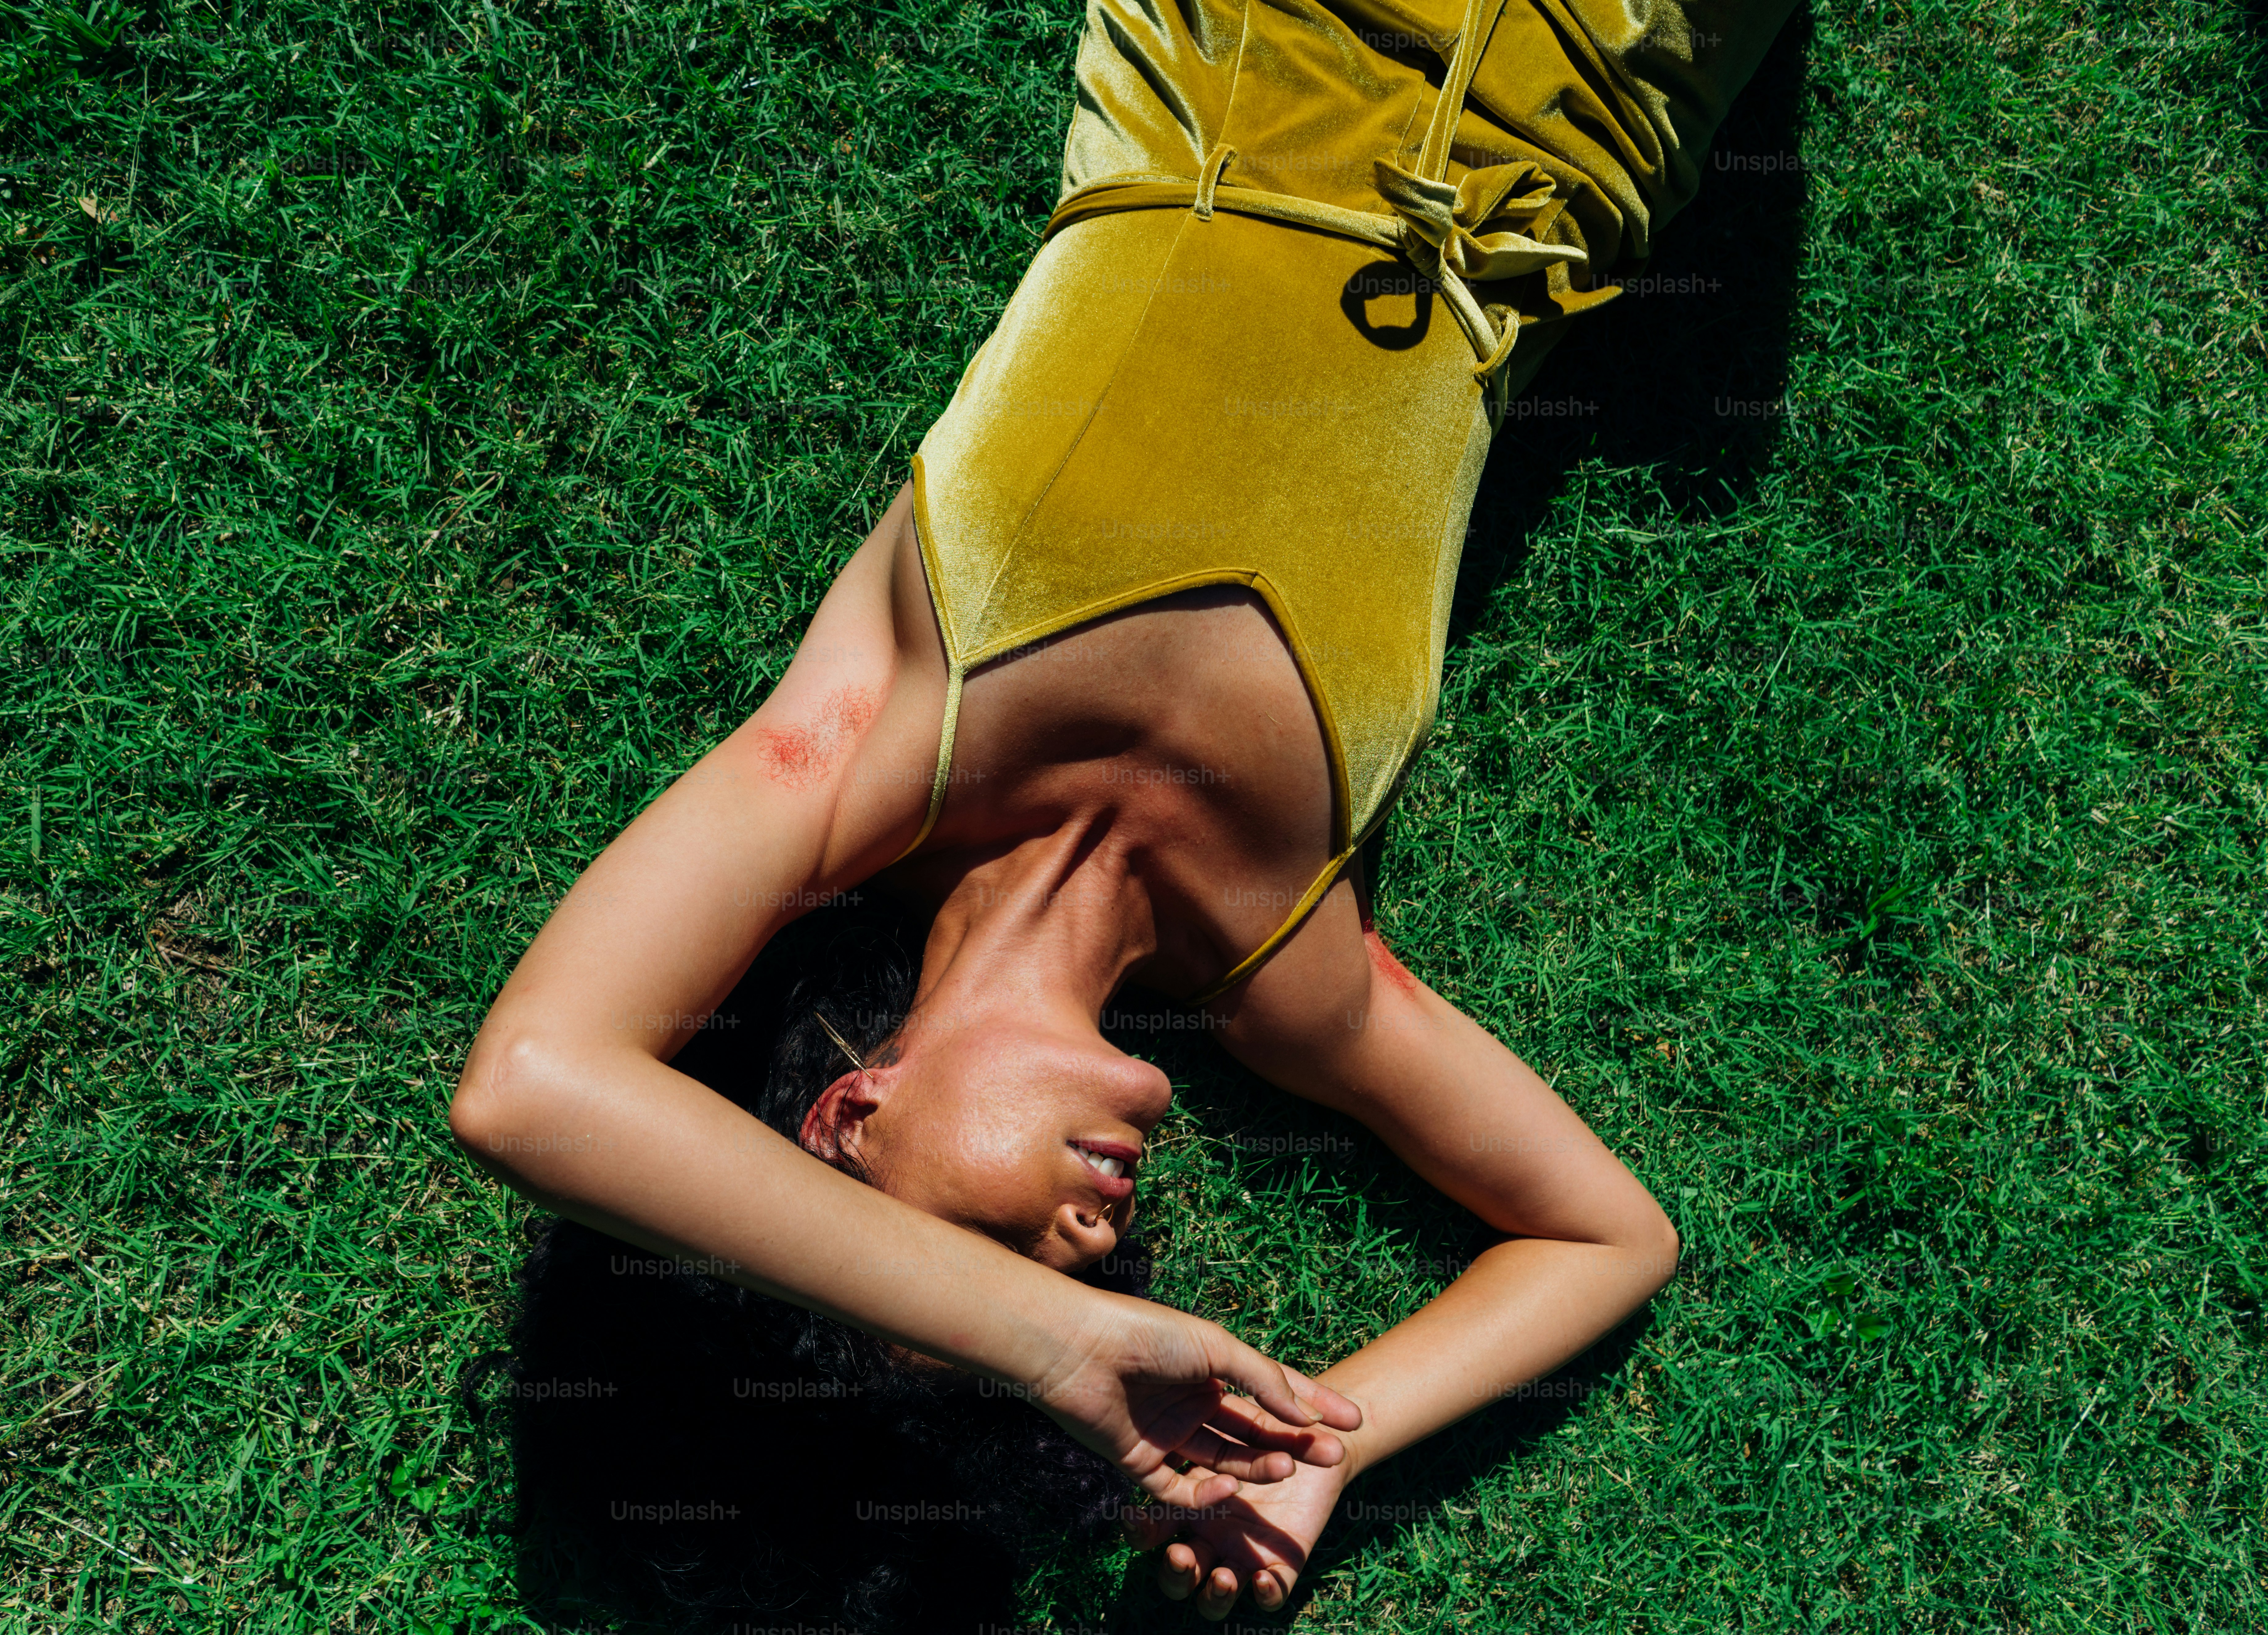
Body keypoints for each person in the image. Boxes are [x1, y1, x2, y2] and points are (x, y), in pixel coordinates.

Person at [453, 0, 1797, 1621]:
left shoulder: (871, 748)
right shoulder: (1292, 972)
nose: (1093, 1256)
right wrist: (1320, 1451)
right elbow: (1608, 1240)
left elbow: (531, 1090)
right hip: (1619, 86)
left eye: (989, 1264)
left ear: (851, 1116)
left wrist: (1051, 1346)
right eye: (1077, 1285)